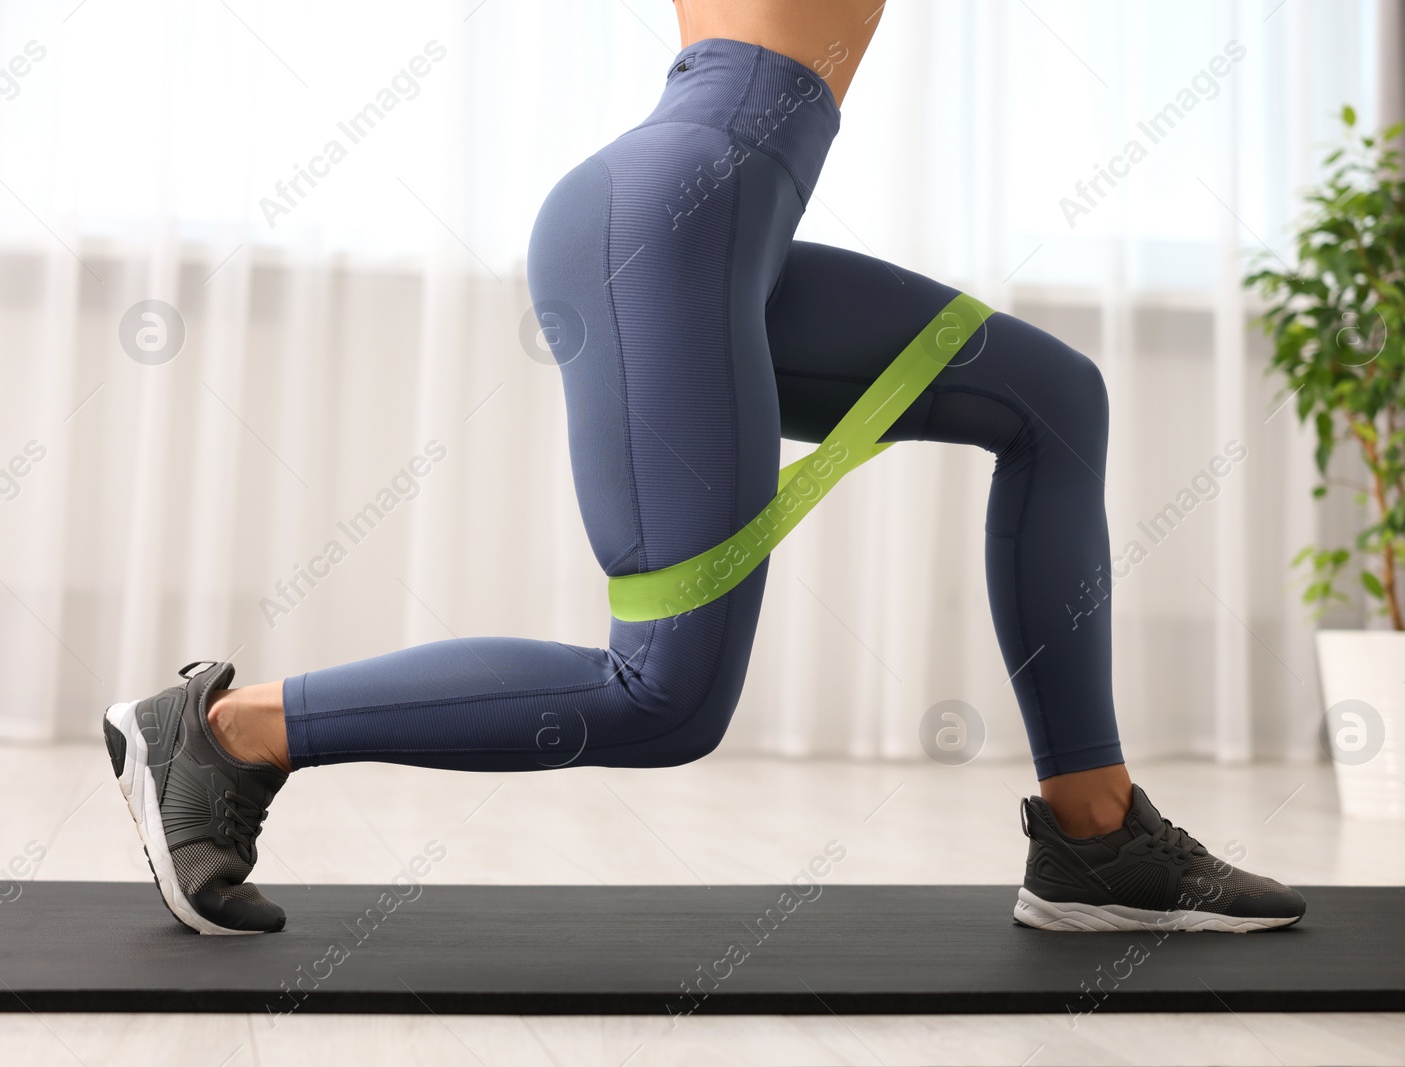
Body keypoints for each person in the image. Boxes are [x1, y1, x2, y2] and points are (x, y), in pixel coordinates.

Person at [101, 0, 1305, 935]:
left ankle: (1097, 836)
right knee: (664, 693)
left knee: (1051, 396)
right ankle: (225, 732)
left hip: (721, 219)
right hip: (677, 218)